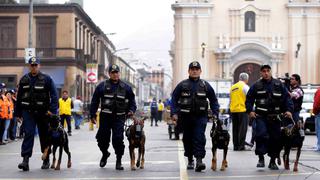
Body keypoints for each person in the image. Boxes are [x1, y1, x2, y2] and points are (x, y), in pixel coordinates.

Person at [171, 61, 219, 172]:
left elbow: (213, 99)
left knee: (199, 137)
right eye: (192, 69)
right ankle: (190, 159)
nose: (194, 71)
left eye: (197, 69)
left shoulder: (205, 85)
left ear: (200, 71)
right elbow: (174, 99)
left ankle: (199, 160)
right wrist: (174, 113)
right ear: (188, 71)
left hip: (200, 117)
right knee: (187, 138)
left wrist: (215, 113)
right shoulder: (182, 85)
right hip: (185, 117)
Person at [246, 64, 293, 170]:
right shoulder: (256, 85)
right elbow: (249, 99)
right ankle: (261, 158)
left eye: (268, 71)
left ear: (270, 72)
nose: (266, 73)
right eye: (264, 71)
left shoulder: (279, 84)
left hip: (275, 117)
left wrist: (289, 110)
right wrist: (250, 111)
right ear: (261, 73)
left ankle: (272, 161)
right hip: (261, 116)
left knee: (275, 139)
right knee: (261, 135)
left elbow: (287, 98)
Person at [90, 64, 137, 170]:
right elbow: (95, 100)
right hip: (105, 118)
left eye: (117, 72)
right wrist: (92, 114)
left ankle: (119, 161)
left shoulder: (126, 88)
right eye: (113, 72)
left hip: (119, 118)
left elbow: (132, 102)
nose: (115, 74)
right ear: (109, 74)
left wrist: (131, 111)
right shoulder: (102, 86)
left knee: (118, 139)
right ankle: (105, 153)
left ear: (119, 73)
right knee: (102, 139)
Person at [16, 57, 58, 171]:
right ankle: (25, 160)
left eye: (36, 65)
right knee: (28, 134)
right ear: (29, 66)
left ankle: (46, 159)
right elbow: (19, 97)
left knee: (44, 136)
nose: (34, 67)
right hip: (28, 112)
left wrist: (52, 111)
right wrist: (18, 113)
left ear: (39, 66)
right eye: (32, 65)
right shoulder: (24, 79)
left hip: (43, 112)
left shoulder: (47, 79)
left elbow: (54, 95)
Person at [229, 72, 250, 151]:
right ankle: (241, 146)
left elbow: (230, 98)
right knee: (242, 129)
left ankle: (235, 146)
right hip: (242, 110)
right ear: (246, 79)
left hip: (234, 110)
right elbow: (249, 98)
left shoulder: (233, 87)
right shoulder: (245, 87)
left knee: (235, 129)